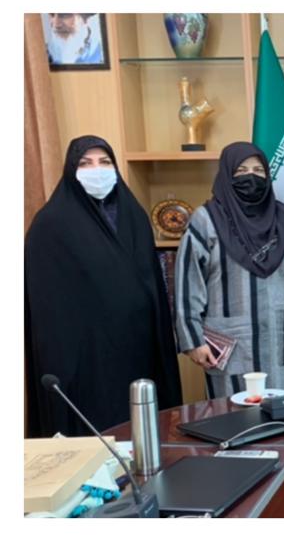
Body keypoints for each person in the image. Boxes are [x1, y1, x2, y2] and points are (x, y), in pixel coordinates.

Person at [25, 136, 182, 436]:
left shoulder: (134, 215)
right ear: (71, 170)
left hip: (137, 350)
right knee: (95, 432)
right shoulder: (51, 224)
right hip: (86, 357)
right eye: (85, 164)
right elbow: (46, 305)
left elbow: (150, 283)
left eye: (104, 162)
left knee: (140, 431)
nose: (96, 170)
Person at [174, 143, 284, 398]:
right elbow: (188, 285)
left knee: (280, 412)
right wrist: (193, 340)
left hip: (279, 342)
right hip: (227, 345)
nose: (251, 177)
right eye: (241, 171)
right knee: (232, 413)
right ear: (226, 174)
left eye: (259, 171)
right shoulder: (206, 220)